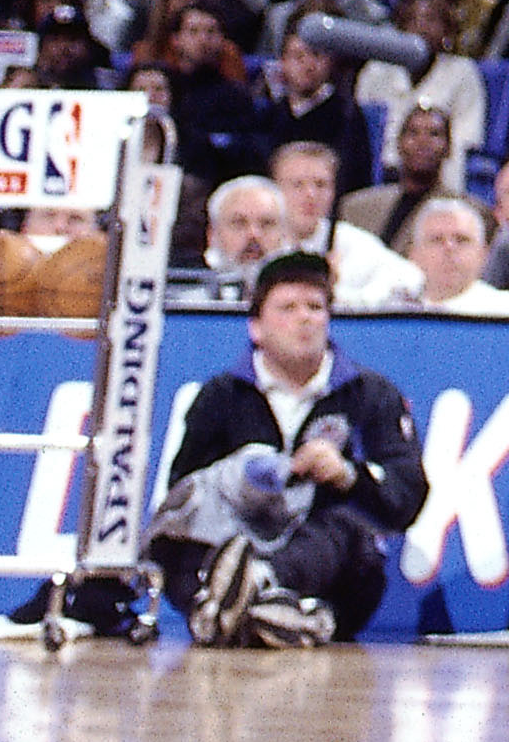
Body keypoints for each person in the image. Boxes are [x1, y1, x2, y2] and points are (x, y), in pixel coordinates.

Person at [151, 253, 427, 647]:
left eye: (316, 307)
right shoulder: (221, 396)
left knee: (350, 532)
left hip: (322, 560)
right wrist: (244, 479)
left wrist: (348, 475)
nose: (305, 319)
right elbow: (184, 492)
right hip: (233, 538)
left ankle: (257, 589)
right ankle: (240, 606)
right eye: (288, 308)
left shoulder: (370, 395)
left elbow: (407, 496)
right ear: (256, 327)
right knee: (179, 531)